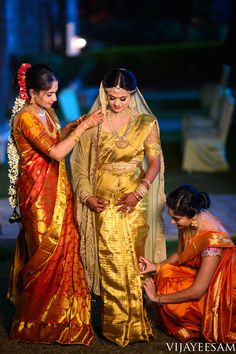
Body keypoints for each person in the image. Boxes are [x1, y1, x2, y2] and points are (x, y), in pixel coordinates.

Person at [7, 63, 104, 345]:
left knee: (63, 253)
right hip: (38, 197)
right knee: (45, 258)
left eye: (55, 93)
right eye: (49, 94)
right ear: (33, 93)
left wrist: (75, 124)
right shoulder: (25, 118)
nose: (55, 100)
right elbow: (55, 152)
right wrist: (83, 127)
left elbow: (55, 139)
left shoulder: (44, 111)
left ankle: (62, 317)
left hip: (56, 191)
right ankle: (34, 324)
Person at [70, 68, 166, 346]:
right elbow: (79, 164)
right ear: (104, 93)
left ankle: (136, 320)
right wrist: (87, 196)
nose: (116, 103)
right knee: (111, 260)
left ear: (133, 95)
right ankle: (117, 326)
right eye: (111, 97)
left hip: (132, 198)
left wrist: (139, 192)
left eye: (122, 98)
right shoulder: (95, 121)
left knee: (132, 260)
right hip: (102, 199)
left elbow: (155, 162)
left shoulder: (146, 123)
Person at [139, 184, 236, 343]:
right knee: (164, 273)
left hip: (222, 294)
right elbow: (180, 253)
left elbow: (197, 291)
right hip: (203, 279)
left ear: (192, 215)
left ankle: (193, 322)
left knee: (168, 296)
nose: (172, 222)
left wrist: (158, 298)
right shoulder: (191, 219)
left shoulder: (213, 241)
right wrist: (156, 266)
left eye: (176, 219)